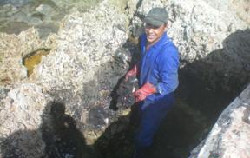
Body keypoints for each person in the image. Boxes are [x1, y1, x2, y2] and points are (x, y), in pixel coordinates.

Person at [125, 7, 180, 158]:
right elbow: (145, 58)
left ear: (165, 26)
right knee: (138, 120)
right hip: (145, 91)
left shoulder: (168, 54)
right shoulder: (144, 39)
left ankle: (140, 153)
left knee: (144, 136)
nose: (150, 30)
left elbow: (171, 84)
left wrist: (149, 90)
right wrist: (135, 68)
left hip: (159, 100)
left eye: (156, 27)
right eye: (148, 25)